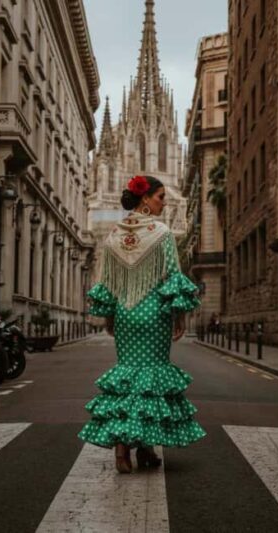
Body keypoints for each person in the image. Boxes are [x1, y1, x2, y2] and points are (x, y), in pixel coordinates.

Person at [78, 175, 206, 473]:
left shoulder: (114, 235)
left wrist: (110, 316)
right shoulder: (161, 233)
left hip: (125, 312)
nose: (165, 202)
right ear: (145, 199)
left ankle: (134, 451)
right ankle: (135, 449)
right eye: (161, 197)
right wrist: (180, 315)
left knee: (128, 378)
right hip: (154, 313)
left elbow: (108, 283)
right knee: (150, 382)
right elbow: (173, 277)